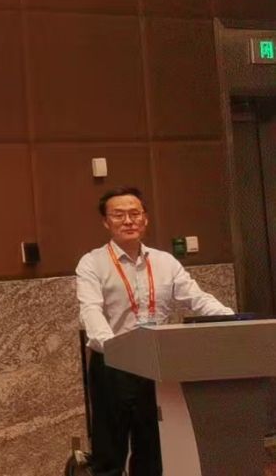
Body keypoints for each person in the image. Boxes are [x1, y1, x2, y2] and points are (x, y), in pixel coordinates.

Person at [75, 186, 234, 476]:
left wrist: (232, 319)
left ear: (145, 219)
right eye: (119, 215)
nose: (128, 220)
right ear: (106, 222)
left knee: (152, 450)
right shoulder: (92, 263)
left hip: (156, 364)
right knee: (109, 453)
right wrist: (117, 350)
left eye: (134, 213)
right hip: (113, 365)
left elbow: (196, 298)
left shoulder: (165, 262)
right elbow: (91, 311)